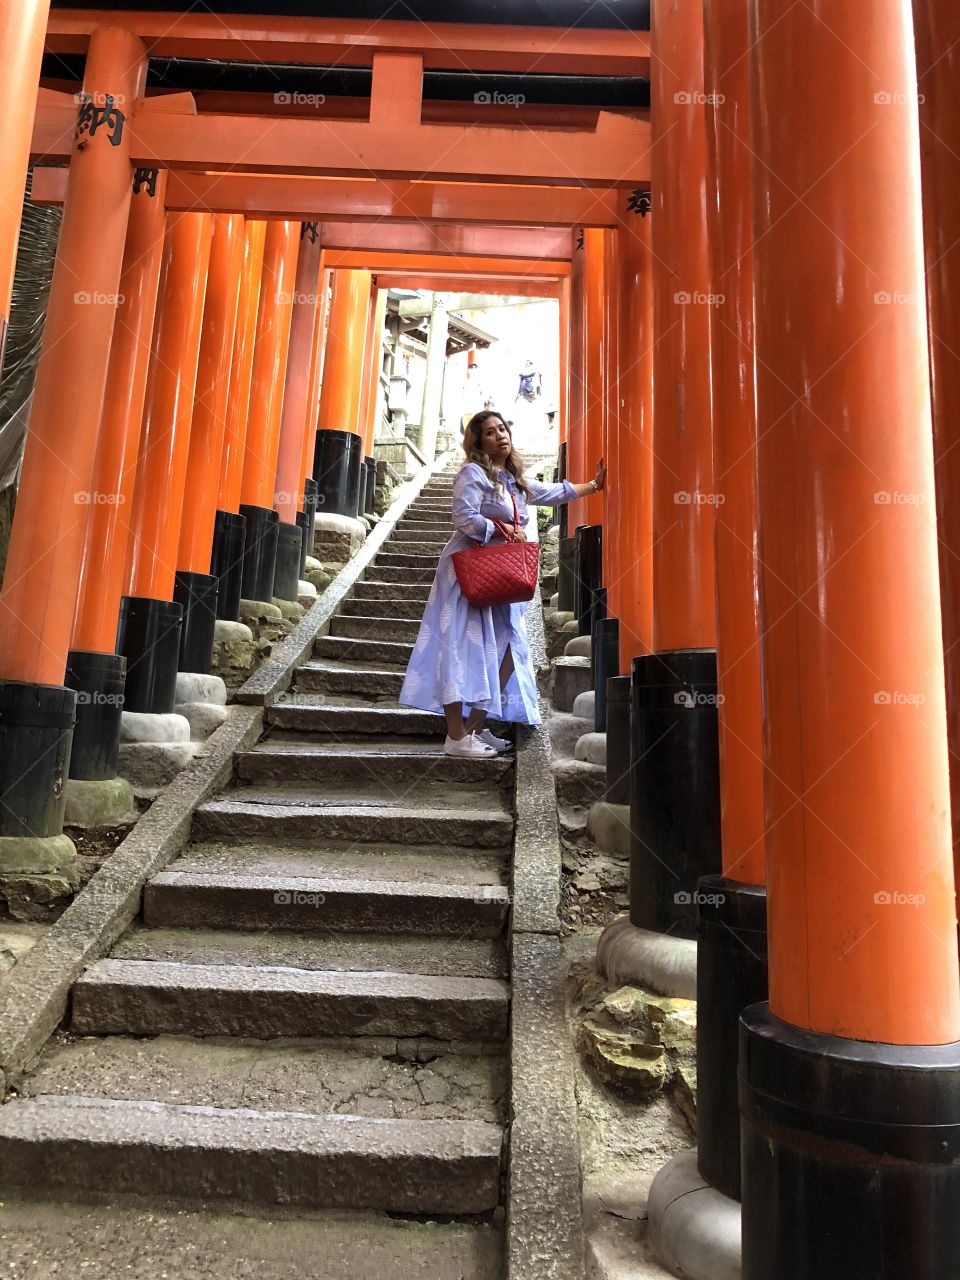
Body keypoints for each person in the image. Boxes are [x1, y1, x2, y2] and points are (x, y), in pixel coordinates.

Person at [399, 410, 607, 756]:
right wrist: (502, 529)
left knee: (507, 649)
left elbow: (551, 492)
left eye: (502, 429)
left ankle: (473, 729)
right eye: (491, 433)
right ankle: (456, 736)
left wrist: (594, 486)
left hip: (502, 576)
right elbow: (463, 517)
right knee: (460, 649)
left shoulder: (513, 479)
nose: (500, 436)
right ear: (478, 443)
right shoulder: (472, 473)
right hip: (467, 573)